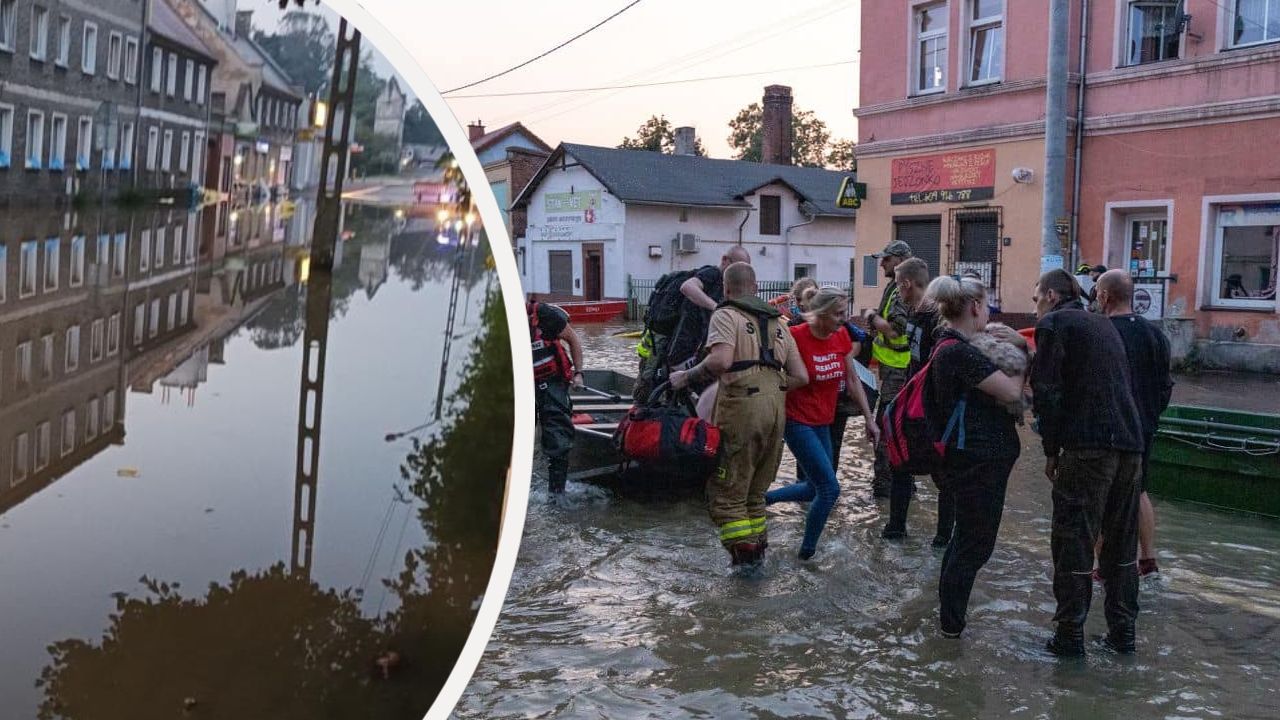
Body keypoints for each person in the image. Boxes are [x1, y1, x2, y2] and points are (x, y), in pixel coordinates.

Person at [1031, 269, 1146, 656]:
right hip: (1130, 445)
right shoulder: (1103, 325)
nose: (1035, 308)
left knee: (1073, 539)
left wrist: (1050, 450)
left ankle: (1068, 637)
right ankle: (1123, 635)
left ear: (1049, 295)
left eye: (1035, 299)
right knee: (1121, 543)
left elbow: (1047, 393)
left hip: (1088, 447)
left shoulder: (1054, 324)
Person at [670, 262, 808, 567]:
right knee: (755, 495)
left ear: (726, 288)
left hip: (742, 409)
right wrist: (770, 384)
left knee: (726, 496)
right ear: (757, 288)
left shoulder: (725, 314)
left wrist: (686, 377)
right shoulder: (780, 323)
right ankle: (759, 558)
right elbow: (801, 376)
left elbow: (720, 361)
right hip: (775, 411)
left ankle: (745, 573)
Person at [918, 275, 1026, 637]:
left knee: (965, 540)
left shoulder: (950, 345)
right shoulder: (958, 351)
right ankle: (951, 627)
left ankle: (950, 621)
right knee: (973, 543)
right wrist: (1023, 353)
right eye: (987, 305)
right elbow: (1012, 393)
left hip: (970, 458)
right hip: (976, 460)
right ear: (976, 307)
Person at [766, 287, 879, 560]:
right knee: (830, 489)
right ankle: (806, 555)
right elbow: (771, 376)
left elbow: (852, 380)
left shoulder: (840, 335)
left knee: (813, 488)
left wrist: (869, 419)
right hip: (796, 421)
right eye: (839, 313)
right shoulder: (795, 337)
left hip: (823, 421)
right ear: (822, 313)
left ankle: (762, 501)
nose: (844, 319)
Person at [1096, 270, 1173, 577]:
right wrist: (1151, 416)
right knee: (1139, 490)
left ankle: (1102, 566)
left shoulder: (1100, 333)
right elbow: (1165, 384)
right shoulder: (1156, 335)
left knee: (1101, 493)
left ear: (1104, 297)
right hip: (1144, 426)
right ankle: (1148, 559)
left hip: (1109, 427)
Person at [881, 258, 955, 546]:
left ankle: (942, 537)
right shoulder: (915, 314)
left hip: (933, 409)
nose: (898, 293)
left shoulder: (938, 319)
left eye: (899, 286)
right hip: (913, 403)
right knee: (900, 464)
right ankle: (897, 528)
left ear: (906, 284)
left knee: (943, 474)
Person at [635, 246, 753, 401]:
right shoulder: (712, 274)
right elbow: (687, 287)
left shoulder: (726, 287)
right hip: (680, 346)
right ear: (725, 260)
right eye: (736, 266)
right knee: (653, 386)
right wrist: (716, 308)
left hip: (695, 347)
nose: (738, 273)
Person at [863, 240, 915, 498]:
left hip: (898, 370)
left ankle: (886, 488)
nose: (881, 263)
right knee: (897, 427)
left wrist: (872, 317)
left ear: (900, 260)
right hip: (892, 369)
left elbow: (895, 330)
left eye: (886, 259)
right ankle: (902, 484)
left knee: (887, 428)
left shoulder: (901, 290)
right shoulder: (895, 287)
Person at [528, 298, 584, 494]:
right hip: (525, 390)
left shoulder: (545, 315)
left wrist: (578, 373)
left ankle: (556, 494)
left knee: (558, 441)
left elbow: (573, 339)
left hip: (551, 385)